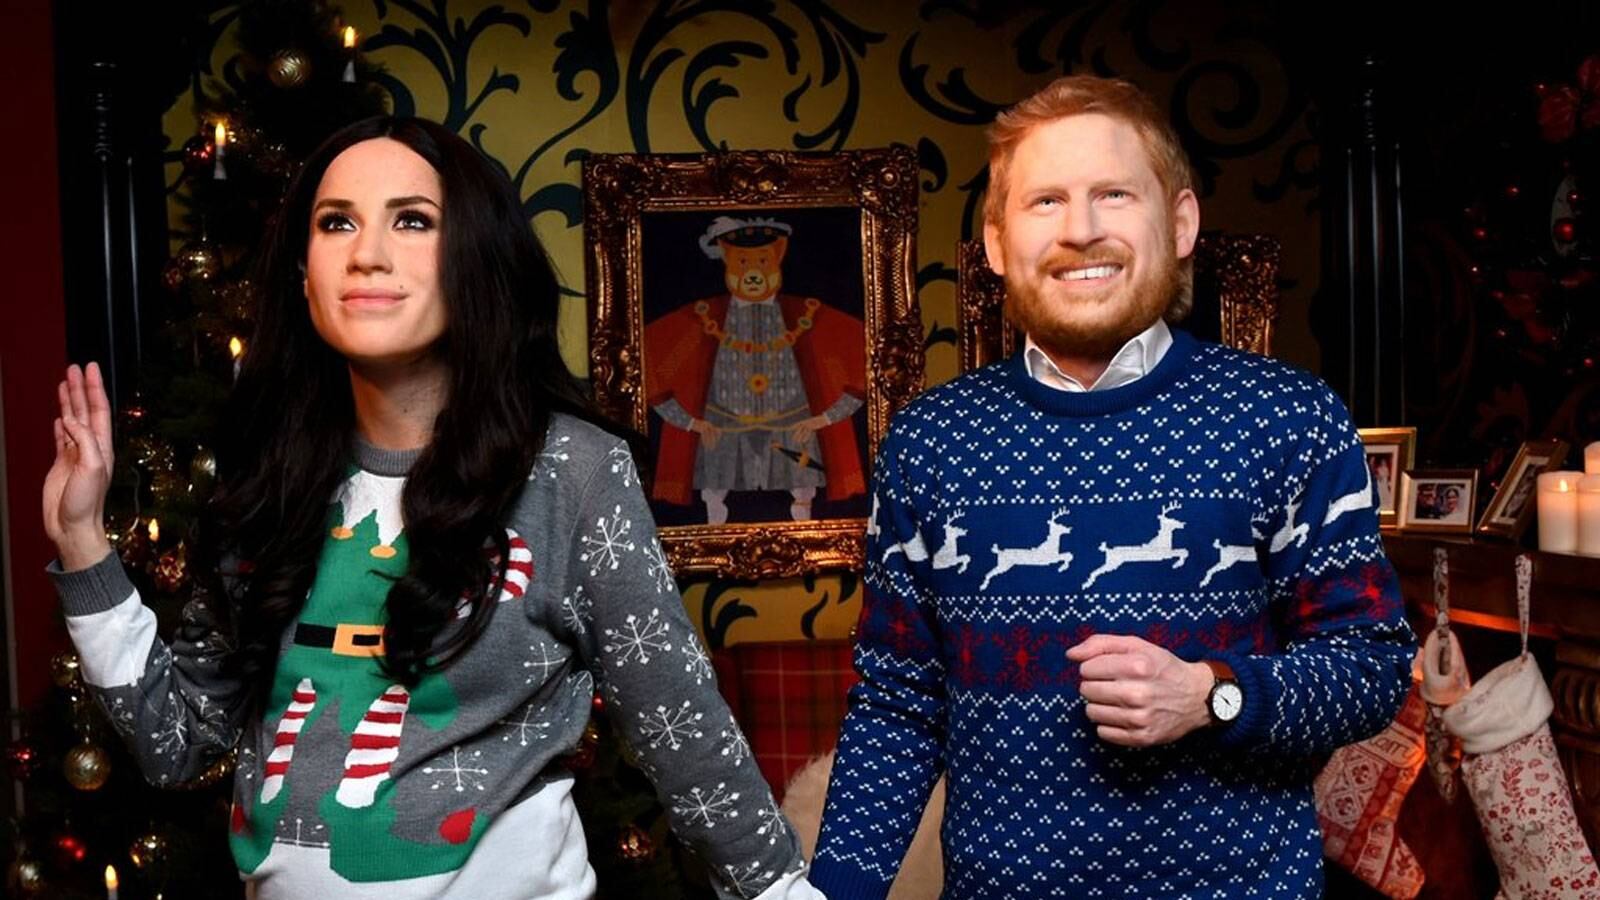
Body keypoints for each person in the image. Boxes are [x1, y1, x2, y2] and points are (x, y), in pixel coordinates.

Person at [42, 117, 822, 900]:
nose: (367, 253)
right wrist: (80, 539)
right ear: (304, 276)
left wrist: (782, 891)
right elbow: (175, 743)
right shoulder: (271, 478)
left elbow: (685, 736)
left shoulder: (569, 473)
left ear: (474, 260)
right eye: (336, 222)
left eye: (412, 220)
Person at [810, 75, 1415, 898]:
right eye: (1046, 201)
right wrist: (834, 891)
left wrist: (1210, 695)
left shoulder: (1288, 418)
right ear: (997, 243)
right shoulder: (931, 441)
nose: (1081, 229)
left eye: (1114, 195)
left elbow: (1370, 668)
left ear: (1181, 222)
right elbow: (897, 705)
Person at [644, 216, 867, 524]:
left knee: (803, 495)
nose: (753, 273)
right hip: (723, 427)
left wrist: (822, 419)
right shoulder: (701, 319)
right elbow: (655, 368)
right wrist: (693, 423)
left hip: (792, 426)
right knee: (714, 495)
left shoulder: (808, 316)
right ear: (727, 262)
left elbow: (856, 365)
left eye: (762, 261)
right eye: (743, 261)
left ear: (777, 259)